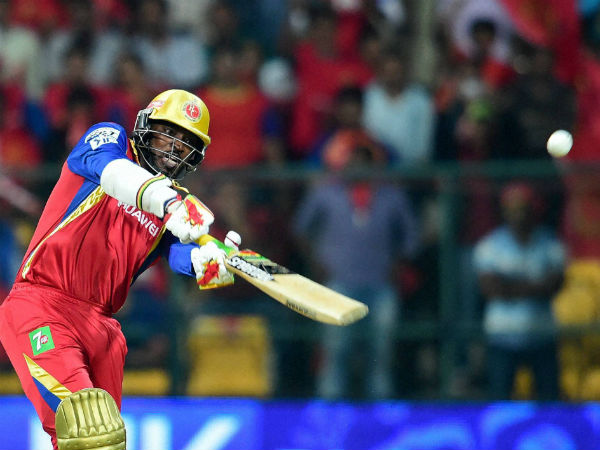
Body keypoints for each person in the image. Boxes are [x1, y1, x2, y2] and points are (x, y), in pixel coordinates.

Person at [0, 89, 239, 450]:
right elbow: (112, 173)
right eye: (168, 133)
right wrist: (167, 201)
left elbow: (179, 255)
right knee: (88, 433)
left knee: (103, 441)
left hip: (103, 330)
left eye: (186, 144)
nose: (174, 148)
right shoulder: (110, 139)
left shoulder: (175, 208)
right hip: (42, 306)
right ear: (146, 126)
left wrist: (211, 263)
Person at [473, 182, 564, 400]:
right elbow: (492, 289)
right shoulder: (490, 245)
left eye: (523, 208)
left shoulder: (550, 243)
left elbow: (554, 286)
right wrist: (535, 285)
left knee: (549, 402)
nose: (519, 215)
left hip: (542, 336)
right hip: (502, 336)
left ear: (533, 209)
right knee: (500, 401)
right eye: (512, 209)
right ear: (504, 212)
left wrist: (510, 285)